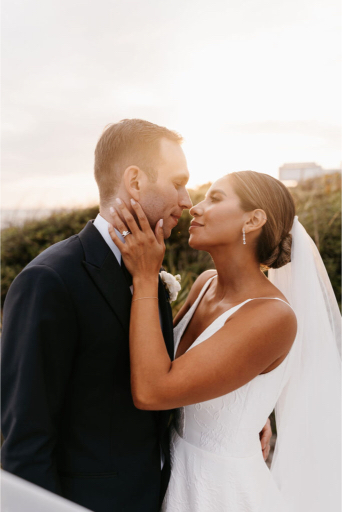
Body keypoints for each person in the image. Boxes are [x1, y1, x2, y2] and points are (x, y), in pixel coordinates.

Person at [1, 121, 273, 512]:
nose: (186, 201)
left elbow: (173, 368)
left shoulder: (150, 269)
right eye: (178, 183)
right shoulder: (51, 281)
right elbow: (26, 440)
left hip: (162, 493)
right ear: (135, 182)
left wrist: (235, 415)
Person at [108, 170, 341, 512]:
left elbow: (152, 390)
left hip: (218, 491)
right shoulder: (205, 284)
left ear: (253, 219)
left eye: (215, 199)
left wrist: (145, 277)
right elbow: (175, 365)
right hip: (168, 467)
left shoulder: (273, 316)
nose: (195, 209)